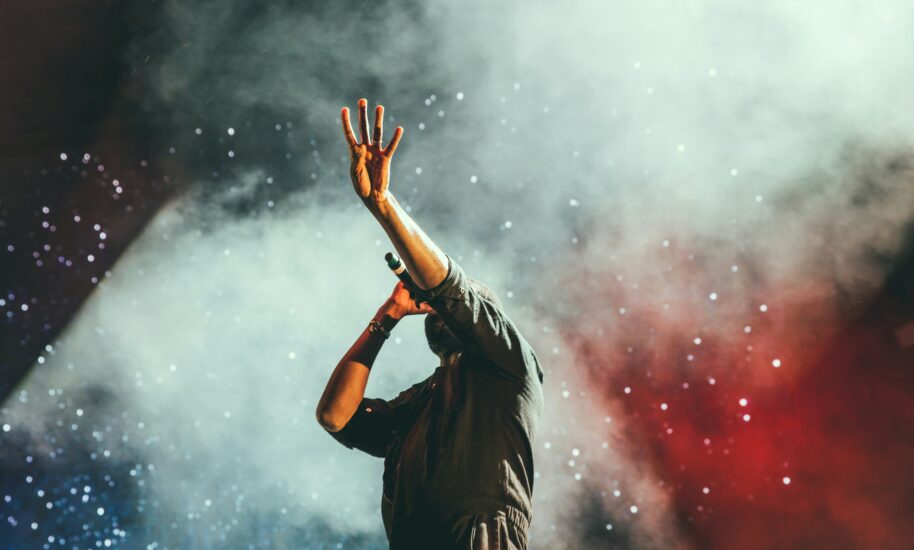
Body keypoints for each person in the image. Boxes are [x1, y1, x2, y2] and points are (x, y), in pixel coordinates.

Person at [316, 98, 544, 550]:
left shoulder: (508, 361)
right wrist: (387, 316)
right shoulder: (419, 401)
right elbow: (334, 416)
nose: (436, 307)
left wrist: (384, 206)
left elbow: (451, 288)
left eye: (448, 304)